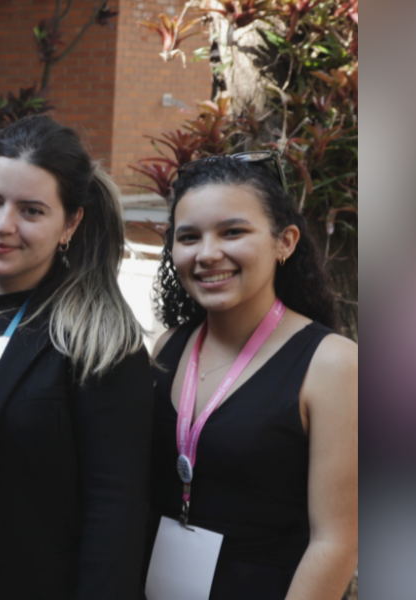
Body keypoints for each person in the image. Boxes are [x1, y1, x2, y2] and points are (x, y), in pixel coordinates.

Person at [0, 115, 153, 599]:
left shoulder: (98, 341)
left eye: (32, 211)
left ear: (71, 222)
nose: (2, 225)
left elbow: (115, 511)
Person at [144, 154, 357, 599]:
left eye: (232, 232)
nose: (207, 254)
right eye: (189, 237)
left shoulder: (333, 364)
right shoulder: (168, 346)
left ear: (285, 241)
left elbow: (336, 543)